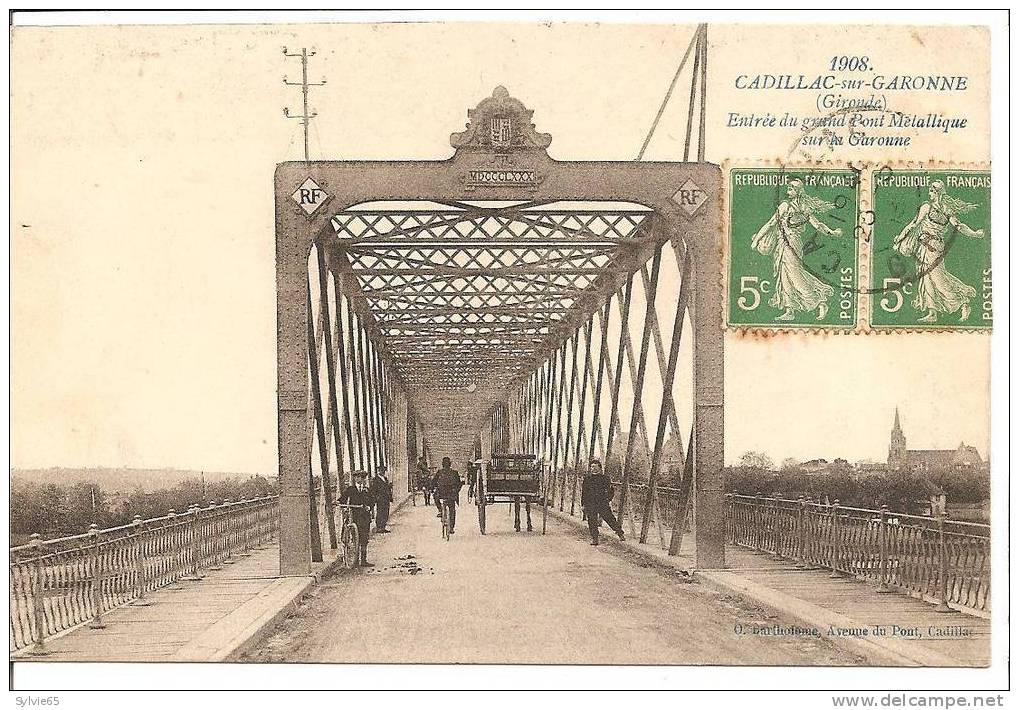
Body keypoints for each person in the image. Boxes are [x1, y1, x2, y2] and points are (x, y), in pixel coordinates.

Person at [750, 178, 843, 322]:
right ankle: (789, 310)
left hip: (792, 243)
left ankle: (819, 301)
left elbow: (817, 225)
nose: (789, 189)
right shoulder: (785, 206)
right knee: (784, 275)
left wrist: (832, 232)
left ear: (798, 191)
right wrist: (756, 240)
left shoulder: (801, 208)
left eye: (792, 187)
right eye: (789, 187)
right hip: (783, 243)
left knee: (794, 275)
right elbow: (771, 223)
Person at [892, 180, 984, 323]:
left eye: (931, 191)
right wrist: (975, 233)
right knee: (926, 277)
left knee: (938, 278)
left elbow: (957, 226)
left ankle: (962, 302)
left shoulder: (939, 208)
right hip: (924, 246)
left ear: (936, 192)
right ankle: (932, 313)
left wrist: (974, 234)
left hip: (934, 248)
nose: (929, 194)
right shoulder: (932, 207)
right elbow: (914, 224)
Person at [580, 458, 624, 546]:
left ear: (599, 468)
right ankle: (595, 538)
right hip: (590, 503)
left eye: (595, 467)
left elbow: (611, 491)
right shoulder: (587, 479)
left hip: (602, 503)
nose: (593, 468)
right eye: (591, 467)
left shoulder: (605, 478)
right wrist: (583, 504)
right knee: (592, 521)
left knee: (609, 518)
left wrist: (608, 499)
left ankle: (620, 533)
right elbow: (584, 492)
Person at [339, 470, 375, 566]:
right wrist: (339, 502)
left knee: (364, 539)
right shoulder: (351, 489)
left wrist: (369, 507)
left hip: (365, 517)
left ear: (364, 479)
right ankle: (355, 561)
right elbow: (343, 497)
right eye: (357, 477)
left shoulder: (367, 490)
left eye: (362, 477)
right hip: (355, 516)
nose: (359, 479)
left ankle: (363, 561)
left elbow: (372, 501)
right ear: (354, 479)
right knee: (355, 539)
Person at [434, 457, 463, 534]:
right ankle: (452, 528)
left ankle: (440, 509)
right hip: (451, 494)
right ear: (450, 464)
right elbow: (459, 484)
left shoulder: (439, 472)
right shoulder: (455, 473)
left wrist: (432, 488)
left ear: (442, 464)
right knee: (452, 510)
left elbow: (433, 482)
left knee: (435, 496)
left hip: (441, 494)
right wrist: (456, 491)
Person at [370, 465, 393, 533]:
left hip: (386, 498)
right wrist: (376, 498)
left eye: (383, 470)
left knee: (386, 512)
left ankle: (383, 526)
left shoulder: (385, 478)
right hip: (380, 499)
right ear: (378, 471)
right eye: (380, 470)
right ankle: (379, 527)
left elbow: (387, 489)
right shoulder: (375, 479)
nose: (382, 471)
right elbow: (373, 490)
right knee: (380, 512)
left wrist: (390, 495)